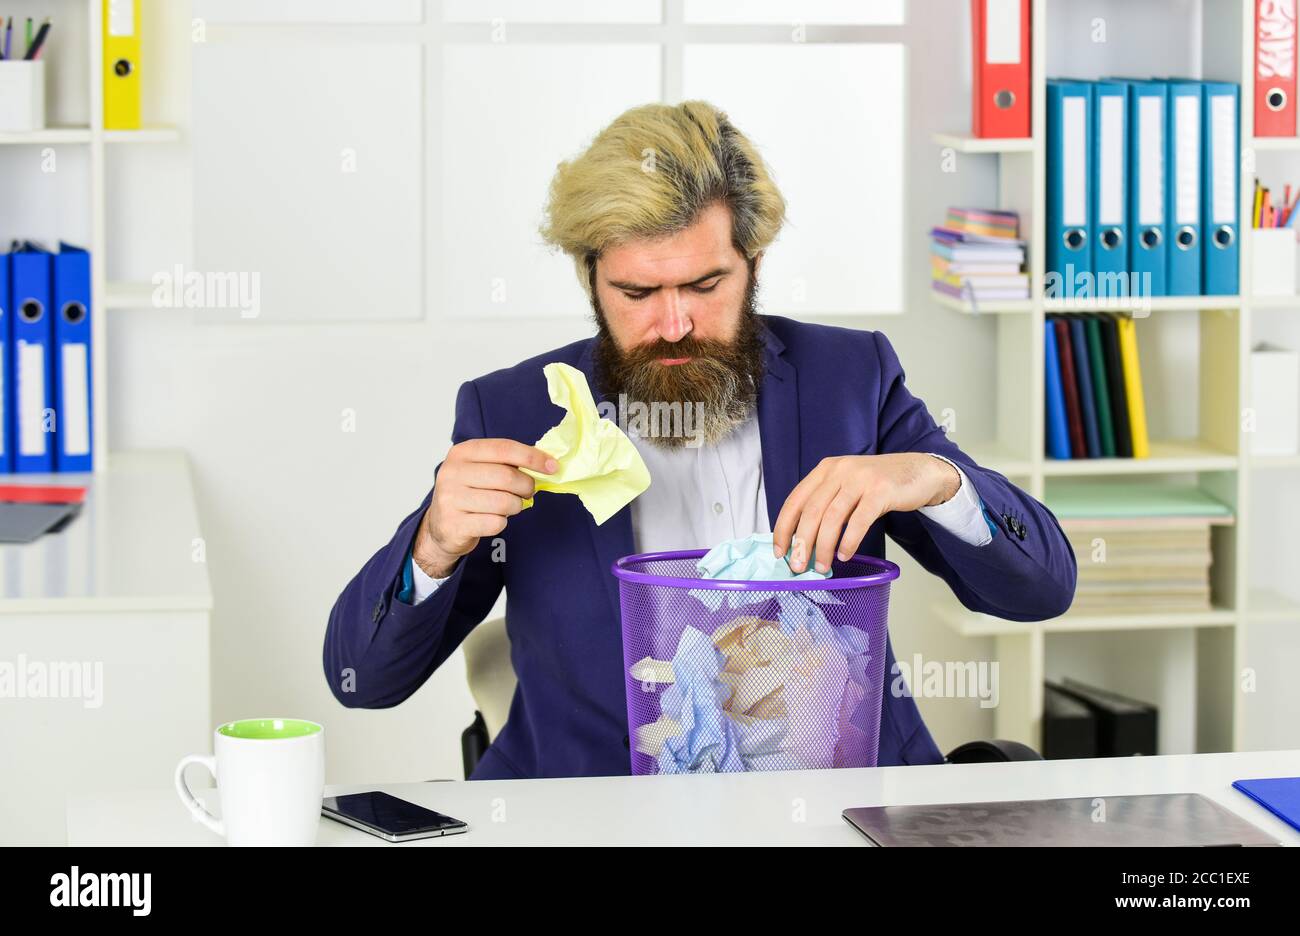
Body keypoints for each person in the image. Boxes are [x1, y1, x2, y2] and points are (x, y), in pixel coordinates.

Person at [323, 101, 1076, 779]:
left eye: (706, 285)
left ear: (753, 266)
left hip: (840, 803)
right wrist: (433, 547)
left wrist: (938, 480)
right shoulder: (513, 411)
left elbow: (1043, 589)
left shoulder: (848, 378)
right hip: (602, 816)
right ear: (591, 280)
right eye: (638, 293)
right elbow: (363, 679)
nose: (674, 324)